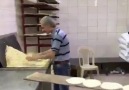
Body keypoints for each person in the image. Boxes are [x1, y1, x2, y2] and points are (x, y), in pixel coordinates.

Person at [26, 16, 70, 90]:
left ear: (48, 25)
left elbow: (52, 54)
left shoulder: (57, 35)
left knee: (62, 87)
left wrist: (36, 58)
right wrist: (40, 54)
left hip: (62, 65)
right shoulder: (57, 32)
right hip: (60, 64)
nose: (42, 30)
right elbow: (52, 50)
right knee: (57, 87)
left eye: (43, 27)